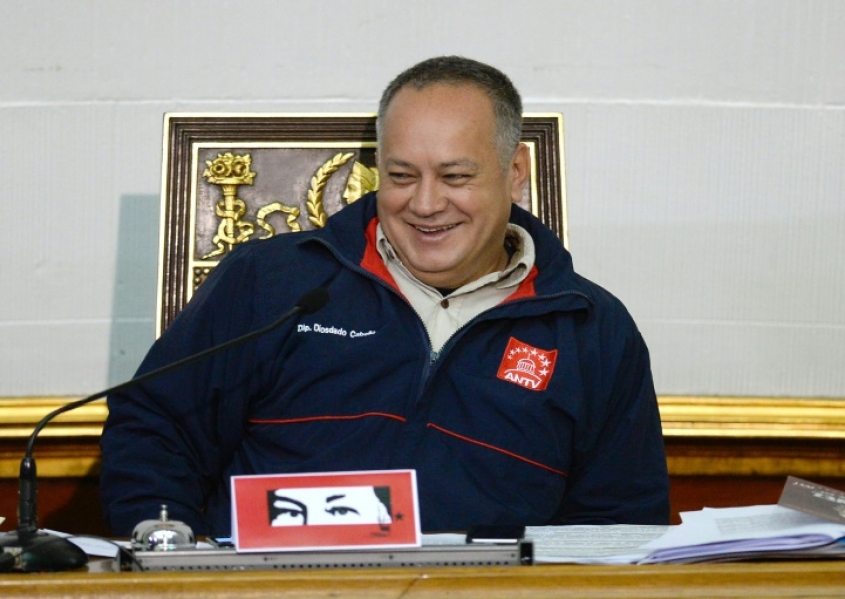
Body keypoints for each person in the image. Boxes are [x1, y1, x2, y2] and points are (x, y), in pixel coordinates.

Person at [100, 55, 669, 536]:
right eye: (401, 177)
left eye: (455, 177)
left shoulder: (592, 329)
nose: (425, 204)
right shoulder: (275, 282)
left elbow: (619, 525)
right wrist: (166, 540)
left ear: (515, 170)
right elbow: (156, 427)